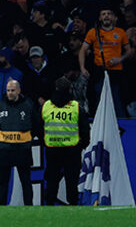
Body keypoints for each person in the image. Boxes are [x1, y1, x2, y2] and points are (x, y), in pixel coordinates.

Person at [41, 77, 88, 205]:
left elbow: (40, 127)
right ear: (69, 89)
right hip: (72, 150)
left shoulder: (46, 106)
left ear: (55, 88)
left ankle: (49, 208)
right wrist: (82, 144)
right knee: (72, 181)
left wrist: (45, 141)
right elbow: (84, 128)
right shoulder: (75, 107)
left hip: (52, 149)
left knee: (52, 180)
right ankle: (73, 208)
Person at [0, 79, 38, 205]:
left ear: (19, 91)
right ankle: (1, 207)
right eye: (8, 90)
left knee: (26, 181)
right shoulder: (0, 105)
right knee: (3, 182)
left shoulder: (28, 105)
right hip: (4, 148)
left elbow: (35, 124)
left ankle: (29, 207)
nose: (10, 93)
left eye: (13, 90)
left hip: (22, 148)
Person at [79, 8, 130, 115]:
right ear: (100, 18)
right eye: (103, 14)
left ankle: (121, 124)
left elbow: (129, 51)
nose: (106, 16)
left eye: (109, 14)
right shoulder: (93, 32)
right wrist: (82, 68)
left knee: (117, 99)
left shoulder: (120, 32)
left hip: (116, 71)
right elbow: (82, 50)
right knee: (99, 98)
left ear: (113, 17)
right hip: (100, 70)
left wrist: (120, 59)